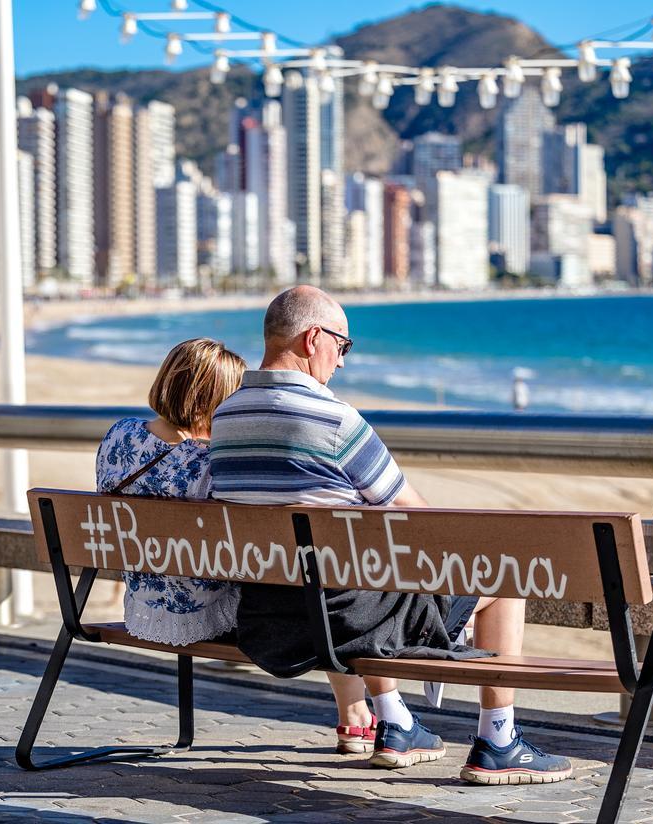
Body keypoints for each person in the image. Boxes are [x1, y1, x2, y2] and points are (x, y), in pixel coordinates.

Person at [210, 286, 572, 784]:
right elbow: (416, 519)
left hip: (269, 617)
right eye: (342, 346)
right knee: (503, 576)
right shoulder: (336, 421)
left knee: (357, 575)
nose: (341, 363)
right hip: (347, 621)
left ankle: (398, 722)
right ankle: (499, 739)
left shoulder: (225, 418)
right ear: (313, 338)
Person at [95, 338, 246, 646]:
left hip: (142, 604)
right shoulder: (207, 467)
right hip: (202, 612)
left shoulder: (119, 435)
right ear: (210, 403)